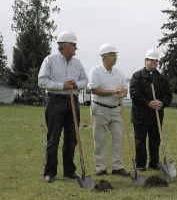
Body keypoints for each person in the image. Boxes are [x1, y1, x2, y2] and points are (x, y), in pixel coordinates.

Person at [38, 30, 88, 183]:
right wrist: (62, 86)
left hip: (72, 101)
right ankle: (50, 173)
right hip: (55, 101)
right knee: (53, 138)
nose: (76, 48)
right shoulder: (50, 60)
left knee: (72, 138)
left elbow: (85, 81)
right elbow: (42, 81)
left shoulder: (77, 62)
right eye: (74, 45)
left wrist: (76, 84)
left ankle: (69, 171)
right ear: (65, 46)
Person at [89, 43, 130, 177]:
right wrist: (113, 91)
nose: (115, 58)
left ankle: (117, 167)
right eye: (113, 55)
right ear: (104, 57)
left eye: (115, 55)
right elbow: (94, 89)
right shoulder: (95, 71)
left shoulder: (119, 73)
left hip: (116, 109)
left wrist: (123, 93)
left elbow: (125, 89)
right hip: (100, 108)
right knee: (100, 138)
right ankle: (101, 167)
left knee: (118, 137)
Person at [130, 49, 172, 171]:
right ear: (145, 61)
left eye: (155, 61)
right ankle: (140, 164)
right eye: (150, 60)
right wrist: (148, 103)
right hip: (140, 116)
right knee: (140, 141)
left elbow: (168, 95)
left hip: (156, 116)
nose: (153, 62)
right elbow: (134, 94)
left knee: (155, 141)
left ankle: (154, 163)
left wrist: (161, 103)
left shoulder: (162, 78)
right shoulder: (137, 76)